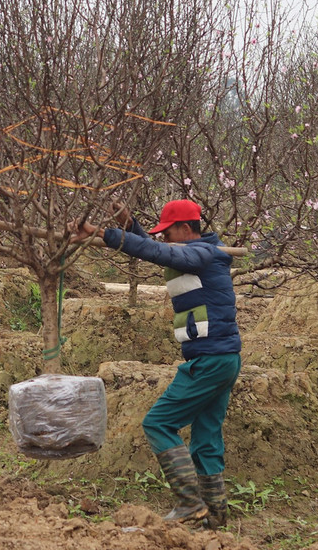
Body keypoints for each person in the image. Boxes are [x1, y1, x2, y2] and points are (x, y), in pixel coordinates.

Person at [72, 198, 240, 529]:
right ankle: (215, 513)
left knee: (158, 423)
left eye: (168, 232)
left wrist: (104, 233)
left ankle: (190, 504)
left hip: (210, 360)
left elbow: (160, 253)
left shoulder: (204, 254)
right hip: (223, 358)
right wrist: (128, 223)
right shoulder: (198, 253)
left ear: (186, 229)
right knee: (206, 436)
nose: (163, 239)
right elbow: (158, 249)